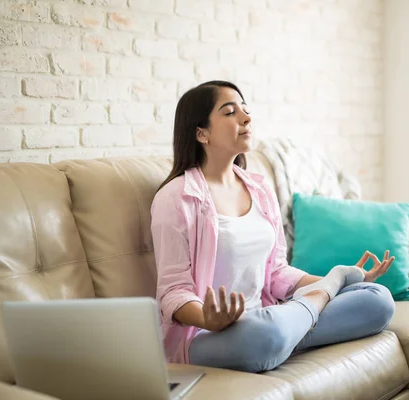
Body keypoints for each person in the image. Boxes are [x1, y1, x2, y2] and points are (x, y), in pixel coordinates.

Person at [151, 80, 396, 373]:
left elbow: (277, 272)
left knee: (377, 299)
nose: (246, 118)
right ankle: (328, 290)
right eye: (230, 112)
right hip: (210, 336)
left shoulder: (259, 189)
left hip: (270, 316)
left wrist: (346, 282)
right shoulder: (176, 197)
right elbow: (172, 292)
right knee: (265, 334)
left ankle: (295, 328)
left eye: (245, 110)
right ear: (201, 132)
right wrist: (207, 318)